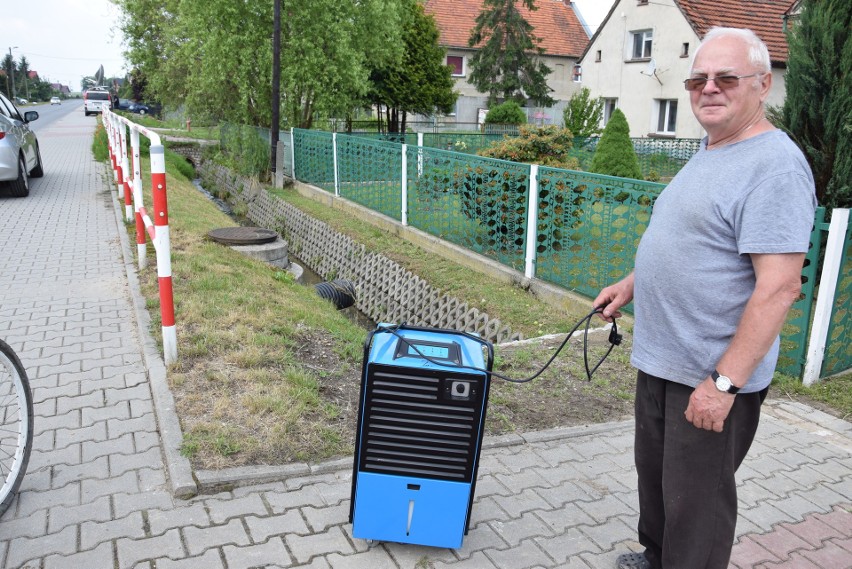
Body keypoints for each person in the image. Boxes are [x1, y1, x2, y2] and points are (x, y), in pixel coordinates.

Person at [594, 27, 817, 569]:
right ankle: (656, 556)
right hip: (663, 360)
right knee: (658, 480)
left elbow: (780, 286)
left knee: (698, 503)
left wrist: (722, 385)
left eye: (725, 78)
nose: (707, 89)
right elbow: (694, 242)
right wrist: (632, 283)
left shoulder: (775, 167)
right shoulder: (712, 147)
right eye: (698, 79)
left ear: (763, 85)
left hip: (710, 374)